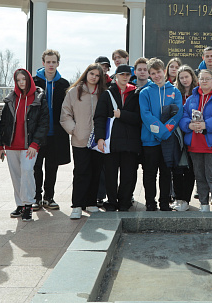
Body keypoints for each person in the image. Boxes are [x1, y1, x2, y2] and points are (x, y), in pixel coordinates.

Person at [0, 69, 48, 222]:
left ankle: (28, 205)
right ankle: (20, 205)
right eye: (18, 80)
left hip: (29, 146)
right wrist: (0, 145)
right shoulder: (10, 99)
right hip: (11, 145)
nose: (21, 82)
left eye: (24, 79)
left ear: (29, 80)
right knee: (16, 175)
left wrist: (35, 143)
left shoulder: (39, 98)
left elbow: (43, 123)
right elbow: (3, 123)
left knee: (27, 171)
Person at [180, 69, 212, 211]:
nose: (204, 81)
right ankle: (204, 205)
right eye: (202, 79)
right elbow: (183, 116)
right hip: (195, 144)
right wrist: (188, 125)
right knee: (200, 176)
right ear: (198, 80)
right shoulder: (191, 99)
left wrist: (205, 125)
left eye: (207, 79)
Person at [60, 63, 107, 219]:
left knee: (96, 171)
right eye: (91, 73)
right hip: (80, 139)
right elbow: (65, 114)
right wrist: (74, 130)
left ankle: (91, 202)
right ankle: (77, 205)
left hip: (98, 141)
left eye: (97, 75)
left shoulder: (103, 93)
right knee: (81, 172)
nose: (94, 77)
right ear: (86, 74)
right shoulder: (74, 91)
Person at [94, 65, 141, 212]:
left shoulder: (136, 94)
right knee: (110, 174)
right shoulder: (107, 94)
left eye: (127, 74)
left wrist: (122, 114)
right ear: (116, 76)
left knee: (129, 174)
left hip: (131, 142)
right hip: (111, 142)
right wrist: (99, 138)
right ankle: (112, 201)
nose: (125, 77)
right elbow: (99, 118)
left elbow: (140, 118)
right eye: (122, 74)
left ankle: (124, 202)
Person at [139, 58, 183, 211]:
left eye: (158, 72)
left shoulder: (174, 91)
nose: (156, 76)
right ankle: (150, 202)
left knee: (165, 173)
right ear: (149, 75)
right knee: (150, 173)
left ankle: (164, 202)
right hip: (150, 141)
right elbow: (146, 115)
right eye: (152, 73)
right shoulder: (144, 92)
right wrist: (161, 132)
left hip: (167, 140)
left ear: (164, 71)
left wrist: (164, 132)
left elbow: (177, 114)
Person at [32, 49, 71, 211]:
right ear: (43, 63)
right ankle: (36, 197)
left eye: (54, 62)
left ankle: (49, 197)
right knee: (36, 166)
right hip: (37, 133)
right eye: (48, 62)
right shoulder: (34, 82)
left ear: (58, 64)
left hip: (56, 133)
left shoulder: (63, 84)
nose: (51, 65)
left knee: (52, 167)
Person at [172, 65, 198, 211]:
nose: (184, 80)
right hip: (177, 135)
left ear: (192, 77)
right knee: (176, 167)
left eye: (187, 76)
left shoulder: (197, 93)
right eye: (181, 77)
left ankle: (186, 200)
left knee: (190, 168)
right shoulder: (175, 93)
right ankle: (178, 198)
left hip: (192, 135)